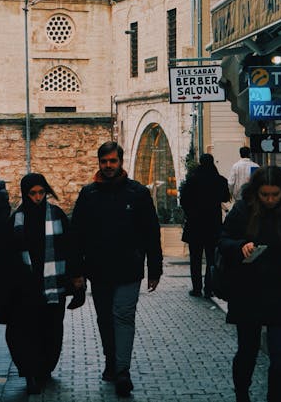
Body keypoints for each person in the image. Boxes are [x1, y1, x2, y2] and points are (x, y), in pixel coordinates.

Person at [71, 141, 162, 398]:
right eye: (104, 162)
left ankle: (122, 370)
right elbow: (76, 235)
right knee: (105, 320)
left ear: (121, 162)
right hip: (99, 270)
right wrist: (76, 271)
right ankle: (111, 361)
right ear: (99, 163)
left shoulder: (138, 193)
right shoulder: (88, 194)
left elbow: (151, 234)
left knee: (123, 317)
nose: (108, 166)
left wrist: (155, 268)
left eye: (113, 161)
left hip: (128, 269)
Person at [0, 172, 84, 396]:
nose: (38, 197)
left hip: (53, 287)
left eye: (42, 192)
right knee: (23, 332)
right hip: (24, 290)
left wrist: (77, 279)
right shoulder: (15, 221)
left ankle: (43, 369)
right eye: (32, 193)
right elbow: (3, 256)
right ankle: (30, 372)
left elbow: (71, 249)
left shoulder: (57, 216)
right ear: (25, 194)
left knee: (50, 331)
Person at [219, 166, 281, 402]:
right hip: (248, 290)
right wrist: (240, 245)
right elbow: (223, 239)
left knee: (280, 356)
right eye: (265, 195)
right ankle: (242, 395)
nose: (271, 200)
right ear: (257, 193)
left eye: (275, 194)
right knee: (247, 351)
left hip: (279, 291)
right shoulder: (243, 209)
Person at [179, 153, 230, 299]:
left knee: (195, 258)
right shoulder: (219, 180)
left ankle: (196, 288)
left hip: (195, 224)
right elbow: (225, 197)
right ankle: (209, 288)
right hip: (213, 224)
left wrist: (190, 213)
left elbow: (183, 201)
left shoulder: (192, 181)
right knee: (211, 259)